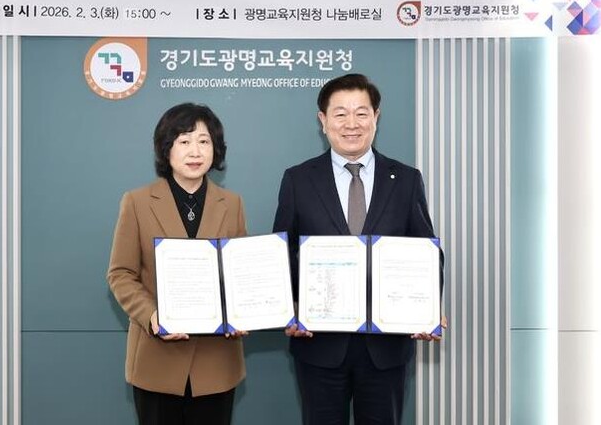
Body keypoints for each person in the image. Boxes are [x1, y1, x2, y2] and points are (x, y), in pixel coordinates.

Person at [273, 74, 445, 425]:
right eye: (340, 114)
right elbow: (282, 252)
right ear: (323, 120)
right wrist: (289, 307)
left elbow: (426, 251)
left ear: (376, 117)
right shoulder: (298, 179)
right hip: (318, 345)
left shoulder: (406, 179)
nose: (351, 124)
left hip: (386, 348)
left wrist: (427, 308)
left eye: (361, 113)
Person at [107, 103, 247, 425]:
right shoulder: (137, 202)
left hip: (216, 362)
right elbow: (121, 273)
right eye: (184, 141)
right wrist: (152, 316)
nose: (195, 151)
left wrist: (243, 311)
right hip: (157, 360)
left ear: (216, 149)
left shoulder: (233, 203)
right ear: (166, 148)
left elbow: (240, 273)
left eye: (204, 141)